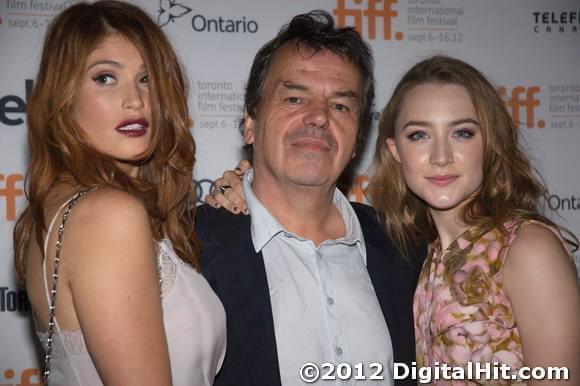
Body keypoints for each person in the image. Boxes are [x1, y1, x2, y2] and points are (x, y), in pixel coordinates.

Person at [195, 10, 422, 386]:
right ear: (250, 124)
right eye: (295, 99)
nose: (318, 118)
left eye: (340, 106)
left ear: (357, 139)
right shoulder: (187, 248)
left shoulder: (407, 247)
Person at [12, 1, 226, 384]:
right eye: (105, 78)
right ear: (63, 97)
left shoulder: (55, 214)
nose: (136, 100)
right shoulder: (109, 214)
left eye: (146, 79)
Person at [367, 55, 579, 384]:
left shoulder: (526, 248)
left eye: (462, 133)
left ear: (489, 143)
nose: (441, 157)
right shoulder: (424, 259)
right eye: (419, 135)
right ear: (396, 152)